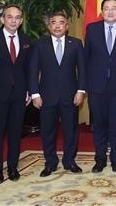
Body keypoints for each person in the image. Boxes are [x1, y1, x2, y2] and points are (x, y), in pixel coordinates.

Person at [29, 12, 86, 177]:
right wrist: (34, 94)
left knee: (71, 130)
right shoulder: (40, 44)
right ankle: (50, 162)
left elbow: (82, 70)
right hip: (46, 96)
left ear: (66, 27)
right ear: (49, 26)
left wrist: (81, 91)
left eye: (61, 23)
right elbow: (33, 71)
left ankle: (69, 160)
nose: (57, 25)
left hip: (70, 95)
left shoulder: (75, 44)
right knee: (48, 131)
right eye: (54, 23)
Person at [0, 4, 32, 183]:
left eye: (17, 17)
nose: (14, 20)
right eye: (10, 17)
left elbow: (28, 69)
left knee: (16, 134)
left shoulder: (26, 40)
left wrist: (29, 91)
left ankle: (12, 168)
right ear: (3, 19)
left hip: (19, 96)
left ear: (21, 20)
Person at [85, 0, 116, 173]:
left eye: (114, 8)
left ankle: (115, 159)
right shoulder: (92, 29)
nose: (110, 11)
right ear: (102, 11)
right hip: (96, 86)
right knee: (98, 124)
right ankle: (99, 159)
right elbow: (85, 59)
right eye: (106, 8)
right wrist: (84, 86)